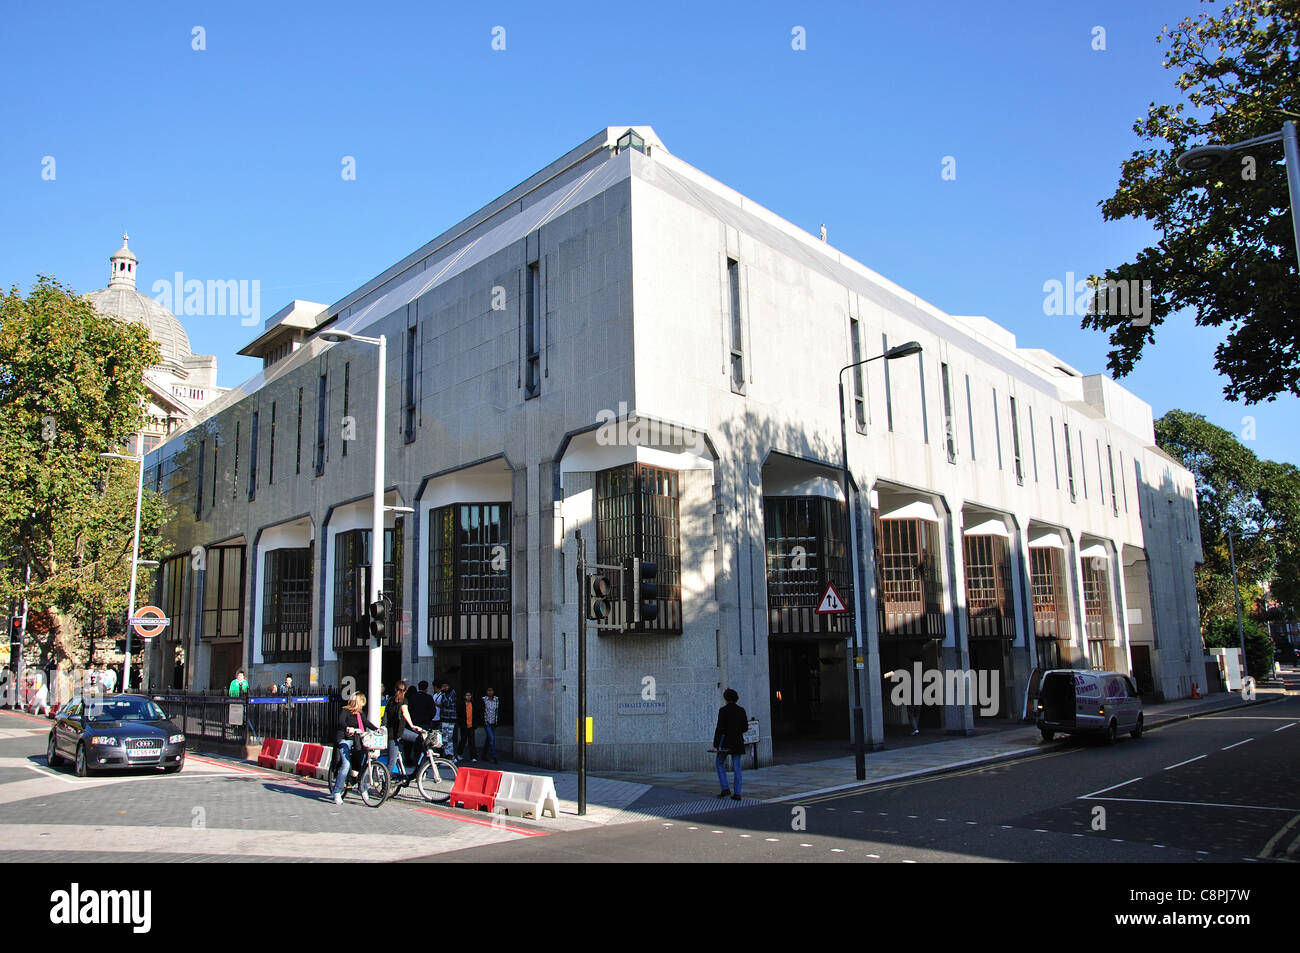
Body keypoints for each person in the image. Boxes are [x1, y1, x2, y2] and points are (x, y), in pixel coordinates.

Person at [330, 693, 378, 805]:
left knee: (365, 761)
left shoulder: (360, 713)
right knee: (346, 764)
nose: (363, 705)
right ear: (357, 701)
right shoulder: (345, 711)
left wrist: (377, 729)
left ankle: (362, 785)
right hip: (344, 739)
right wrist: (347, 728)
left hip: (356, 739)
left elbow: (366, 723)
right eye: (362, 702)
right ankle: (337, 791)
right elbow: (341, 722)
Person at [711, 688, 748, 801]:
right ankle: (737, 793)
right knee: (737, 767)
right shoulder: (741, 710)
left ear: (726, 699)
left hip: (726, 742)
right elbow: (745, 728)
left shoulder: (723, 710)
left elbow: (719, 729)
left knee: (719, 763)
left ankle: (725, 788)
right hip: (737, 742)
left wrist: (716, 744)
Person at [385, 681, 424, 774]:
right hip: (398, 733)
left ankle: (417, 769)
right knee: (392, 762)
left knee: (392, 761)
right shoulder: (404, 700)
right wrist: (412, 725)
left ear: (395, 689)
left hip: (394, 732)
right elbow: (405, 712)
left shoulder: (390, 700)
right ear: (405, 691)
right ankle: (384, 784)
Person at [434, 681, 458, 762]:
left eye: (445, 686)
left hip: (451, 718)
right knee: (445, 738)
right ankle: (448, 756)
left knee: (449, 737)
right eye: (443, 686)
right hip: (444, 717)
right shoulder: (443, 694)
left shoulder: (452, 693)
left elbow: (447, 702)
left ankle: (450, 756)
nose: (444, 688)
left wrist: (442, 695)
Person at [456, 690, 478, 762]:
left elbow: (475, 714)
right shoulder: (461, 705)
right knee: (463, 740)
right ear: (464, 696)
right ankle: (459, 754)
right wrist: (461, 723)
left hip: (471, 725)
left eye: (469, 695)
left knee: (472, 741)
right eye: (467, 695)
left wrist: (475, 724)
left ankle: (473, 756)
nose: (468, 697)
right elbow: (459, 715)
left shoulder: (473, 704)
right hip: (464, 725)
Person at [480, 687, 500, 763]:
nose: (490, 692)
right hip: (487, 722)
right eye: (488, 690)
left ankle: (484, 754)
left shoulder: (497, 700)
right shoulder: (484, 700)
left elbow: (498, 711)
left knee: (488, 739)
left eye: (491, 690)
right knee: (492, 738)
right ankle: (494, 756)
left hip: (494, 722)